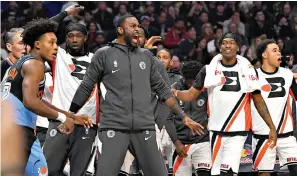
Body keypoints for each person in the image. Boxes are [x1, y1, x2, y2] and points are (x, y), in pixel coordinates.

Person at [68, 14, 203, 176]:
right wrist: (70, 114)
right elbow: (85, 87)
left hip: (144, 126)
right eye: (132, 26)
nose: (137, 29)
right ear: (120, 30)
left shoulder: (146, 57)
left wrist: (183, 116)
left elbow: (163, 90)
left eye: (138, 26)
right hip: (114, 126)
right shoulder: (103, 54)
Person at [172, 33, 277, 176]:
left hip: (238, 130)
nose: (227, 45)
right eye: (224, 43)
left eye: (231, 42)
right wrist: (175, 93)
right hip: (215, 131)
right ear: (219, 47)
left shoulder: (248, 69)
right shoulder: (208, 70)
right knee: (216, 173)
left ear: (238, 47)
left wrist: (271, 126)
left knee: (227, 171)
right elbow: (191, 94)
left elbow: (258, 100)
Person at [1, 18, 92, 175]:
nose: (56, 47)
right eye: (51, 43)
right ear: (37, 44)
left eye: (57, 43)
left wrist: (69, 115)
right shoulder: (34, 64)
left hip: (22, 129)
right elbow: (30, 102)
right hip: (15, 130)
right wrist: (64, 119)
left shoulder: (22, 63)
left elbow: (35, 100)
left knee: (42, 171)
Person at [42, 6, 99, 176]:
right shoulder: (57, 55)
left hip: (87, 123)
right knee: (49, 170)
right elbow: (42, 30)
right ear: (66, 38)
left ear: (85, 38)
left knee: (78, 173)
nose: (74, 40)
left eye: (78, 36)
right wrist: (65, 14)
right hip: (60, 119)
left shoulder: (96, 59)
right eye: (70, 36)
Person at [252, 39, 297, 176]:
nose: (279, 53)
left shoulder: (287, 74)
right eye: (275, 50)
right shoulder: (253, 76)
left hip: (287, 135)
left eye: (279, 50)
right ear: (264, 55)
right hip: (263, 135)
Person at [169, 61, 211, 176]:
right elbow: (168, 118)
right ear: (183, 77)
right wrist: (177, 143)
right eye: (188, 81)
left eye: (194, 81)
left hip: (203, 142)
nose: (191, 85)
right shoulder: (174, 89)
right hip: (181, 143)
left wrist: (206, 126)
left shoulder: (207, 88)